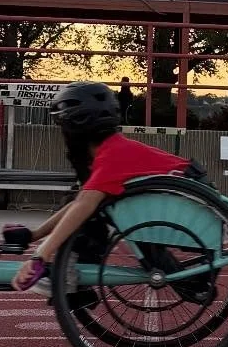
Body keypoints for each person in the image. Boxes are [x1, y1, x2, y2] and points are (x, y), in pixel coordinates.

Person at [12, 82, 188, 290]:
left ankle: (67, 277)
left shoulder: (112, 156)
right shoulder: (113, 149)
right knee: (91, 207)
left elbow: (83, 206)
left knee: (90, 212)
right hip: (177, 202)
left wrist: (39, 257)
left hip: (187, 206)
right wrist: (34, 235)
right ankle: (75, 277)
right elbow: (81, 202)